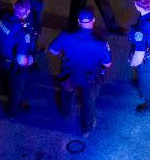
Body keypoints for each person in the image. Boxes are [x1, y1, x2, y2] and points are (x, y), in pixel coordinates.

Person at [48, 7, 113, 136]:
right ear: (93, 20)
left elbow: (53, 50)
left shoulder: (66, 36)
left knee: (66, 94)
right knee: (88, 102)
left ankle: (65, 113)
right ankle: (87, 128)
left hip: (70, 75)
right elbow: (107, 63)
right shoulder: (101, 42)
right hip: (90, 78)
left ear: (79, 21)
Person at [0, 0, 36, 117]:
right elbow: (21, 60)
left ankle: (5, 90)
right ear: (27, 13)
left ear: (14, 6)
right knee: (17, 90)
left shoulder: (2, 15)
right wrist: (31, 59)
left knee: (4, 74)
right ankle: (12, 111)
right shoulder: (23, 33)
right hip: (13, 64)